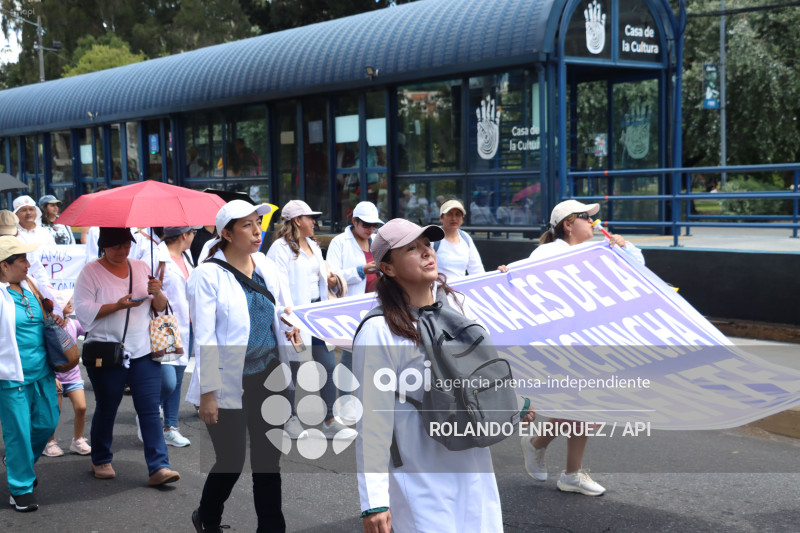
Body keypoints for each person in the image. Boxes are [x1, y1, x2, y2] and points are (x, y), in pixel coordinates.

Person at [353, 219, 535, 533]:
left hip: (474, 466)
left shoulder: (459, 308)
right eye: (412, 248)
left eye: (427, 244)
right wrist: (375, 500)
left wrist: (512, 404)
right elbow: (372, 420)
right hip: (419, 474)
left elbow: (481, 376)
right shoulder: (378, 331)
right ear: (388, 267)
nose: (426, 253)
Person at [186, 200, 298, 533]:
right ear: (226, 233)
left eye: (258, 223)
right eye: (247, 225)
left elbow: (283, 306)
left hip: (268, 375)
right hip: (226, 382)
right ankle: (208, 516)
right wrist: (208, 394)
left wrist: (290, 324)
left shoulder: (265, 264)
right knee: (231, 461)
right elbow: (204, 338)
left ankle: (272, 528)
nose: (257, 231)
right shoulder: (206, 276)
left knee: (268, 463)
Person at [520, 199, 644, 496]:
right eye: (585, 217)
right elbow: (518, 281)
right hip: (560, 344)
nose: (592, 222)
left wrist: (625, 248)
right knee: (589, 407)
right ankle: (567, 469)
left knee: (588, 408)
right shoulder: (548, 252)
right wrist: (506, 272)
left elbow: (639, 270)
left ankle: (546, 451)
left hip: (589, 342)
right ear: (568, 224)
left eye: (592, 218)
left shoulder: (598, 251)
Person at [74, 227, 180, 486]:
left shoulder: (141, 266)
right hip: (107, 353)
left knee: (150, 410)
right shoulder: (90, 272)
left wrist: (157, 292)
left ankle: (159, 467)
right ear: (103, 247)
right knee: (108, 406)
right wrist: (119, 305)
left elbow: (160, 307)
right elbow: (83, 312)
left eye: (126, 245)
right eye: (115, 247)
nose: (122, 251)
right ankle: (100, 458)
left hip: (143, 350)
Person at [267, 200, 355, 440]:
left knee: (326, 365)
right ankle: (289, 418)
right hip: (294, 316)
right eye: (310, 217)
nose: (315, 221)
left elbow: (323, 276)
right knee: (293, 368)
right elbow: (279, 287)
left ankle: (328, 420)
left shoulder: (314, 246)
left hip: (317, 315)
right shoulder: (279, 249)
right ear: (297, 221)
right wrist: (289, 318)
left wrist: (333, 280)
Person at [0, 236, 60, 512]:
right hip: (12, 377)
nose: (28, 263)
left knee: (47, 424)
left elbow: (47, 318)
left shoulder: (31, 286)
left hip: (44, 371)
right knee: (19, 434)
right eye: (22, 259)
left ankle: (18, 463)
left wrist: (57, 317)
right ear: (4, 266)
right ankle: (21, 486)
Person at [158, 226, 200, 448]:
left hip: (188, 325)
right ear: (185, 235)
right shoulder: (159, 257)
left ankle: (170, 427)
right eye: (193, 233)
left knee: (178, 377)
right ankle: (150, 411)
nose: (194, 237)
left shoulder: (186, 257)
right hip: (166, 326)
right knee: (168, 380)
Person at [42, 290, 91, 458]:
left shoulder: (73, 324)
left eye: (70, 301)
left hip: (73, 375)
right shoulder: (47, 326)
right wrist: (52, 376)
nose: (70, 303)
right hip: (54, 377)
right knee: (54, 413)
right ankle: (50, 442)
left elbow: (90, 329)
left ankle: (78, 440)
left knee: (82, 407)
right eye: (64, 302)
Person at [326, 201, 384, 296]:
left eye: (375, 225)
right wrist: (361, 271)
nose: (371, 229)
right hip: (352, 301)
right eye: (366, 224)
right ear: (354, 221)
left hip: (377, 298)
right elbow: (332, 277)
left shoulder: (377, 239)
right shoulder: (339, 242)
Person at [435, 199, 485, 280]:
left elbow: (477, 270)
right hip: (437, 290)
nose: (454, 218)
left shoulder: (466, 238)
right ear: (441, 218)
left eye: (458, 214)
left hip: (460, 290)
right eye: (449, 214)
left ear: (462, 218)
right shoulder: (433, 238)